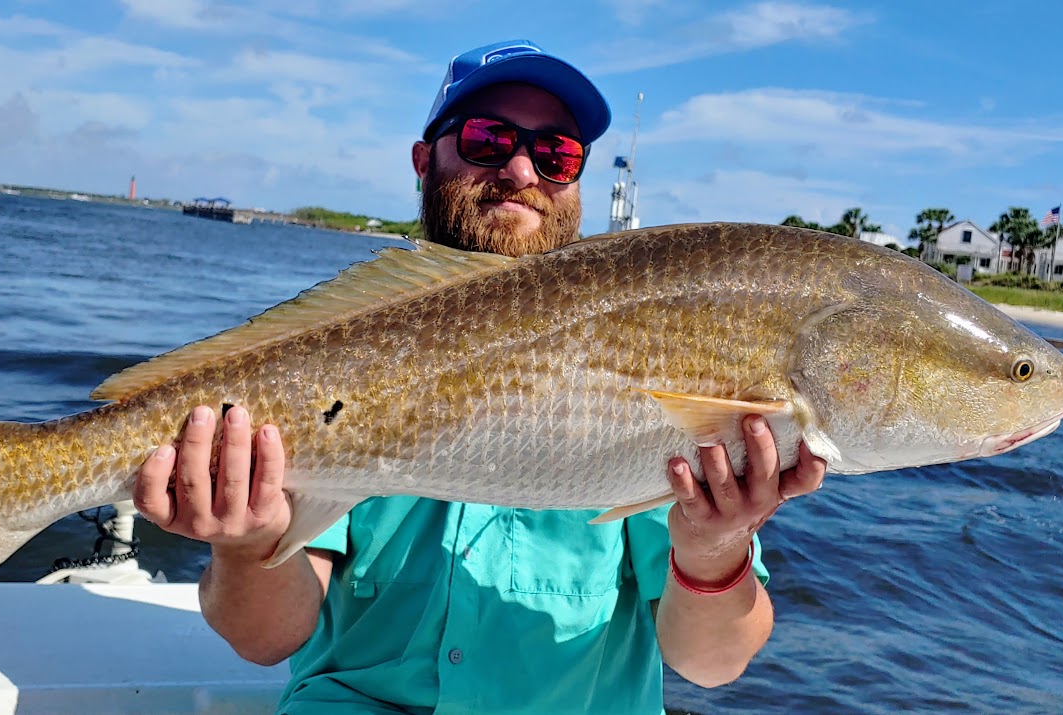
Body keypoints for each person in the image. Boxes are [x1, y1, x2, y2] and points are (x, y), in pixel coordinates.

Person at [133, 40, 827, 714]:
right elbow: (264, 639)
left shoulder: (659, 354)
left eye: (556, 154)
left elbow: (711, 664)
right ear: (422, 160)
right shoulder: (334, 359)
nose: (523, 171)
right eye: (488, 140)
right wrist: (250, 541)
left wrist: (712, 545)